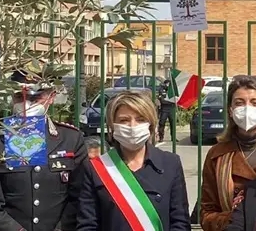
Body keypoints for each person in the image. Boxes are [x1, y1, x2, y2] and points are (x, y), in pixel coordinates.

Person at [0, 68, 87, 231]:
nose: (27, 103)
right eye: (20, 96)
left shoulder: (70, 139)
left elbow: (79, 196)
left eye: (36, 97)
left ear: (51, 97)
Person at [76, 91, 191, 231]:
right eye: (124, 120)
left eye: (141, 119)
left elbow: (180, 222)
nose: (132, 126)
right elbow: (87, 225)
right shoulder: (95, 168)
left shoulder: (170, 163)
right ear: (112, 125)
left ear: (150, 124)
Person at [200, 76, 256, 231]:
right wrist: (237, 219)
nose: (247, 109)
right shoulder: (217, 155)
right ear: (231, 110)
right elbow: (207, 213)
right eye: (239, 103)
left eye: (255, 103)